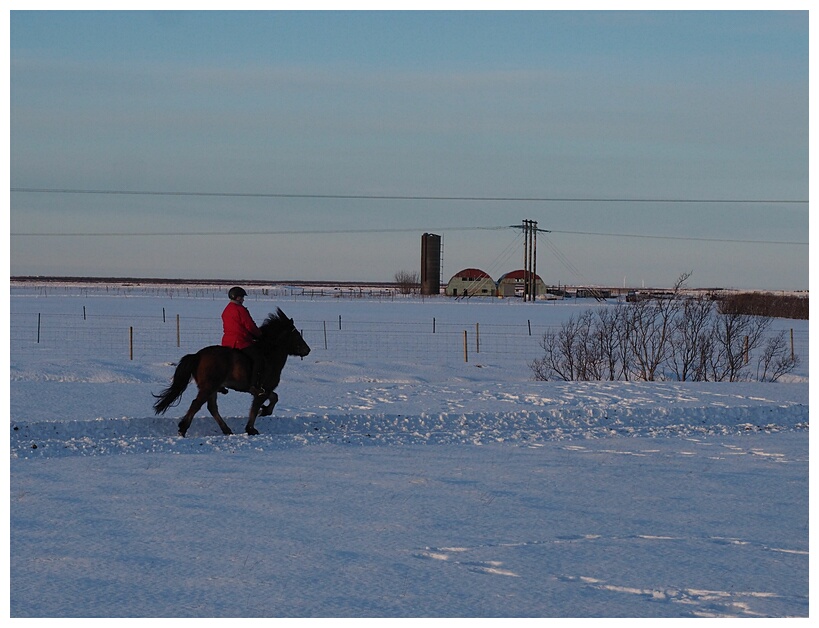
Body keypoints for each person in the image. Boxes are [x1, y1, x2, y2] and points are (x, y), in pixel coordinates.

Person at [221, 286, 266, 396]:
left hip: (227, 341)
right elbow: (249, 326)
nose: (243, 299)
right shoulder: (240, 310)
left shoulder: (226, 309)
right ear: (236, 297)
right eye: (241, 297)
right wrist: (259, 334)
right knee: (259, 359)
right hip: (240, 341)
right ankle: (254, 386)